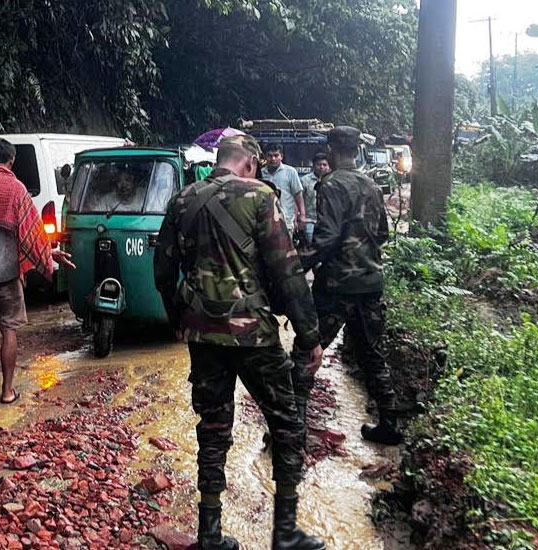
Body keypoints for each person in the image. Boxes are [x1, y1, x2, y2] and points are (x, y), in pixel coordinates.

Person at [155, 135, 326, 550]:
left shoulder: (183, 199)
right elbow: (286, 272)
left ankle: (209, 536)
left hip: (202, 334)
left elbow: (162, 268)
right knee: (286, 423)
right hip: (254, 335)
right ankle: (285, 531)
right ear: (250, 163)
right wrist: (310, 336)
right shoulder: (260, 196)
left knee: (213, 428)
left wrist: (179, 319)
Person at [298, 126, 402, 446]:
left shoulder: (329, 185)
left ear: (331, 150)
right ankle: (390, 424)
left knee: (306, 355)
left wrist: (294, 267)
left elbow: (326, 239)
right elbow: (383, 233)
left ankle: (290, 432)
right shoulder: (371, 184)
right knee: (372, 355)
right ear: (356, 150)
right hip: (370, 284)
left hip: (337, 287)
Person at [0, 139, 75, 404]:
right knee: (9, 328)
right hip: (5, 269)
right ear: (11, 161)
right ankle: (7, 392)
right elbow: (31, 233)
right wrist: (49, 254)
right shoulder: (15, 188)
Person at [261, 144, 306, 234]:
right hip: (265, 222)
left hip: (286, 222)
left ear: (281, 156)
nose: (273, 159)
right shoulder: (260, 173)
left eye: (276, 155)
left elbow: (298, 195)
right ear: (265, 157)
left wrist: (302, 215)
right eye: (270, 156)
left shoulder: (290, 172)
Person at [300, 153, 330, 244]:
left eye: (324, 165)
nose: (321, 167)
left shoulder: (332, 181)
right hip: (310, 220)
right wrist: (301, 216)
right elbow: (299, 199)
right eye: (318, 164)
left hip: (328, 221)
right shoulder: (305, 180)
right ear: (313, 165)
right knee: (312, 243)